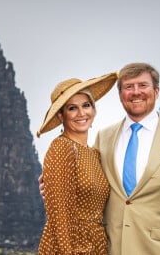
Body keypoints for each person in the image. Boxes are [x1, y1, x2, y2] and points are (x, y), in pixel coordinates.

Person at [40, 62, 160, 255]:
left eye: (143, 85)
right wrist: (52, 185)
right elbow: (72, 190)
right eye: (129, 87)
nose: (136, 92)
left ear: (156, 91)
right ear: (120, 95)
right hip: (109, 247)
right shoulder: (104, 138)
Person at [36, 72, 118, 255]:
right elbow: (59, 215)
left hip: (97, 243)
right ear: (61, 116)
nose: (81, 113)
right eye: (72, 108)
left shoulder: (95, 154)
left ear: (94, 110)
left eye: (86, 105)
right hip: (69, 245)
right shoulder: (61, 147)